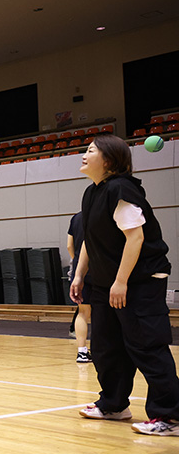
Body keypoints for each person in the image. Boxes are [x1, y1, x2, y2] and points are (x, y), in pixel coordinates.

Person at [71, 134, 179, 435]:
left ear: (107, 160)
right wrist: (80, 275)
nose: (83, 154)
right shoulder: (92, 193)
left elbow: (136, 237)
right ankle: (114, 404)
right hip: (108, 284)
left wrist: (121, 281)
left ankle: (170, 416)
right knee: (107, 347)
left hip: (140, 282)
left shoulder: (121, 189)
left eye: (90, 150)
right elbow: (90, 241)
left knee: (147, 346)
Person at [67, 212, 92, 362]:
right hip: (97, 265)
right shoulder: (99, 214)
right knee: (99, 312)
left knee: (82, 311)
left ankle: (82, 352)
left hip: (78, 267)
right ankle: (98, 350)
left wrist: (77, 260)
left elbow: (70, 245)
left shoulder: (76, 218)